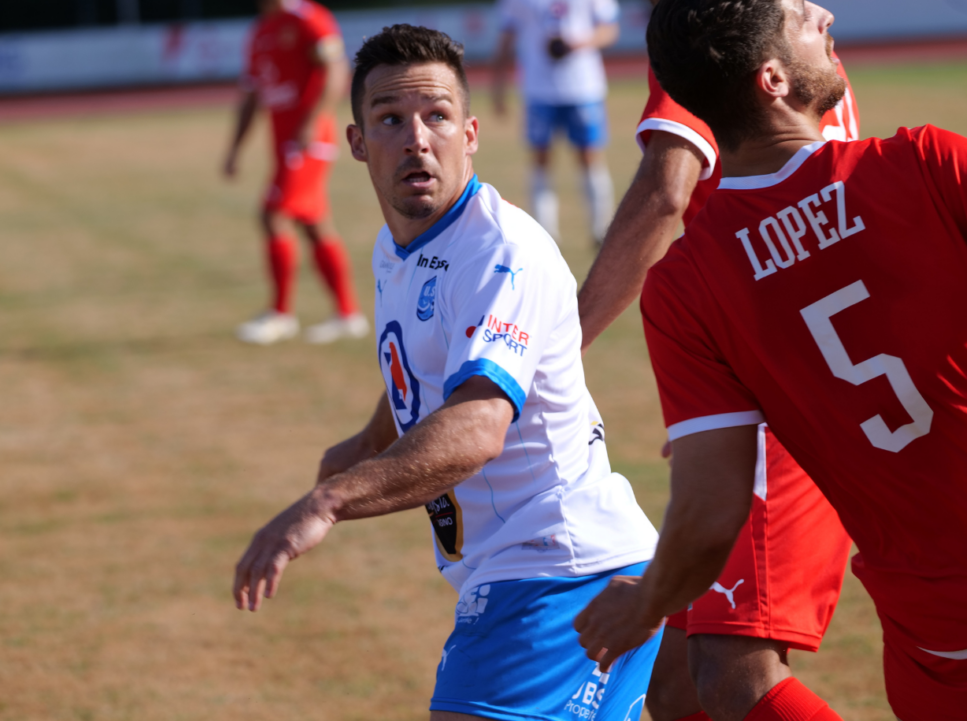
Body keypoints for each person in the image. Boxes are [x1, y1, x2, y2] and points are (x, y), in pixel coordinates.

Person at [234, 24, 664, 721]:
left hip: (557, 570)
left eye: (436, 115)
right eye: (391, 120)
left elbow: (477, 426)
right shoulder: (397, 246)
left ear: (469, 134)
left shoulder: (498, 252)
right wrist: (367, 440)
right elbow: (435, 362)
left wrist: (329, 500)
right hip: (541, 568)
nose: (416, 137)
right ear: (356, 144)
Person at [572, 1, 967, 720]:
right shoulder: (926, 162)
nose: (825, 14)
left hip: (933, 634)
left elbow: (708, 504)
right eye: (797, 14)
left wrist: (650, 596)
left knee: (721, 678)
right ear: (774, 78)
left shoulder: (688, 285)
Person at [223, 0, 368, 345]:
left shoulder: (308, 18)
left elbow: (335, 70)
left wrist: (314, 121)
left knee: (272, 215)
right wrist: (234, 148)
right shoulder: (260, 31)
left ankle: (280, 314)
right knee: (314, 224)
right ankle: (349, 315)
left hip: (307, 143)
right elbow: (253, 95)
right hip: (284, 145)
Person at [492, 0, 620, 245]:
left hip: (584, 88)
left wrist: (578, 43)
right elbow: (506, 37)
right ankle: (545, 233)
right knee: (541, 160)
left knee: (589, 157)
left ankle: (600, 230)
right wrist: (498, 86)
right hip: (538, 90)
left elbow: (610, 29)